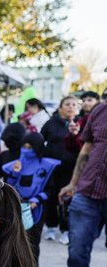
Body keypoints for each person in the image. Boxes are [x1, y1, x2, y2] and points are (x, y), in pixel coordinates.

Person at [52, 99, 107, 267]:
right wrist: (73, 183)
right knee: (77, 246)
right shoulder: (100, 110)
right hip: (88, 189)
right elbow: (87, 147)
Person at [3, 133, 60, 264]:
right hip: (16, 207)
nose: (26, 150)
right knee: (13, 243)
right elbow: (8, 186)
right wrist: (15, 173)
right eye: (24, 146)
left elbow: (49, 189)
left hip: (36, 210)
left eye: (30, 147)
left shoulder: (46, 166)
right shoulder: (14, 164)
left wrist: (36, 200)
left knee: (32, 244)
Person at [40, 95, 80, 245]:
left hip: (71, 169)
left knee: (67, 199)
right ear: (61, 107)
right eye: (67, 104)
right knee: (50, 198)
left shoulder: (80, 123)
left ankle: (66, 230)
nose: (70, 107)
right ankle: (50, 227)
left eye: (73, 104)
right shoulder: (51, 123)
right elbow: (40, 141)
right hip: (51, 169)